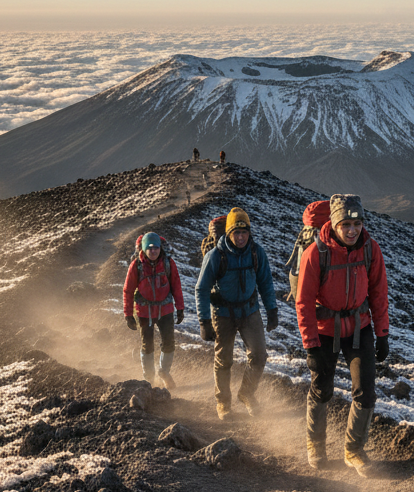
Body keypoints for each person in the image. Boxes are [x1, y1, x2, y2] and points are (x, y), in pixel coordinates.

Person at [296, 194, 390, 476]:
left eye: (357, 223)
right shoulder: (317, 253)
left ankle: (353, 450)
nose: (352, 230)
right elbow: (303, 302)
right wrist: (311, 345)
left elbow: (378, 293)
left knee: (366, 392)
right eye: (346, 224)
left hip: (359, 330)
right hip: (325, 332)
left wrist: (382, 333)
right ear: (334, 224)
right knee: (322, 389)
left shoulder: (371, 250)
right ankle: (316, 445)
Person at [196, 207, 278, 420]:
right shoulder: (216, 255)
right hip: (223, 314)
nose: (241, 237)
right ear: (228, 233)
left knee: (259, 356)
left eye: (244, 232)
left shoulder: (256, 252)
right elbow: (202, 288)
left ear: (249, 232)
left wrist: (272, 310)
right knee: (224, 360)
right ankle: (223, 402)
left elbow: (266, 283)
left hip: (250, 312)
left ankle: (247, 394)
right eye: (236, 232)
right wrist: (204, 321)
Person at [123, 232, 185, 390]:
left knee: (169, 343)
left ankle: (164, 372)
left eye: (156, 247)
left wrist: (180, 308)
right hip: (145, 311)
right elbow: (128, 291)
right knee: (147, 345)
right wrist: (128, 314)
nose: (153, 251)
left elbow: (176, 286)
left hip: (165, 310)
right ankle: (149, 379)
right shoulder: (136, 265)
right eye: (149, 248)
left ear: (160, 248)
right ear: (143, 249)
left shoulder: (168, 263)